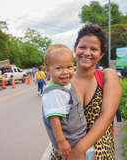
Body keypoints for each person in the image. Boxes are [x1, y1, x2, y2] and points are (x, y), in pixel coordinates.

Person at [49, 24, 121, 160]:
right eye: (82, 47)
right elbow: (49, 118)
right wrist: (60, 148)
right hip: (65, 155)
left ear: (101, 55)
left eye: (94, 49)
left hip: (100, 154)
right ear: (75, 48)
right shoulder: (61, 82)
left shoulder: (107, 77)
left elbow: (107, 116)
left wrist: (80, 150)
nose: (87, 53)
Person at [42, 45, 95, 160]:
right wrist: (62, 142)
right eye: (59, 68)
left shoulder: (65, 85)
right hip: (71, 144)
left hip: (79, 138)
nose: (65, 72)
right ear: (47, 69)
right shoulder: (55, 92)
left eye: (69, 67)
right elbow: (54, 119)